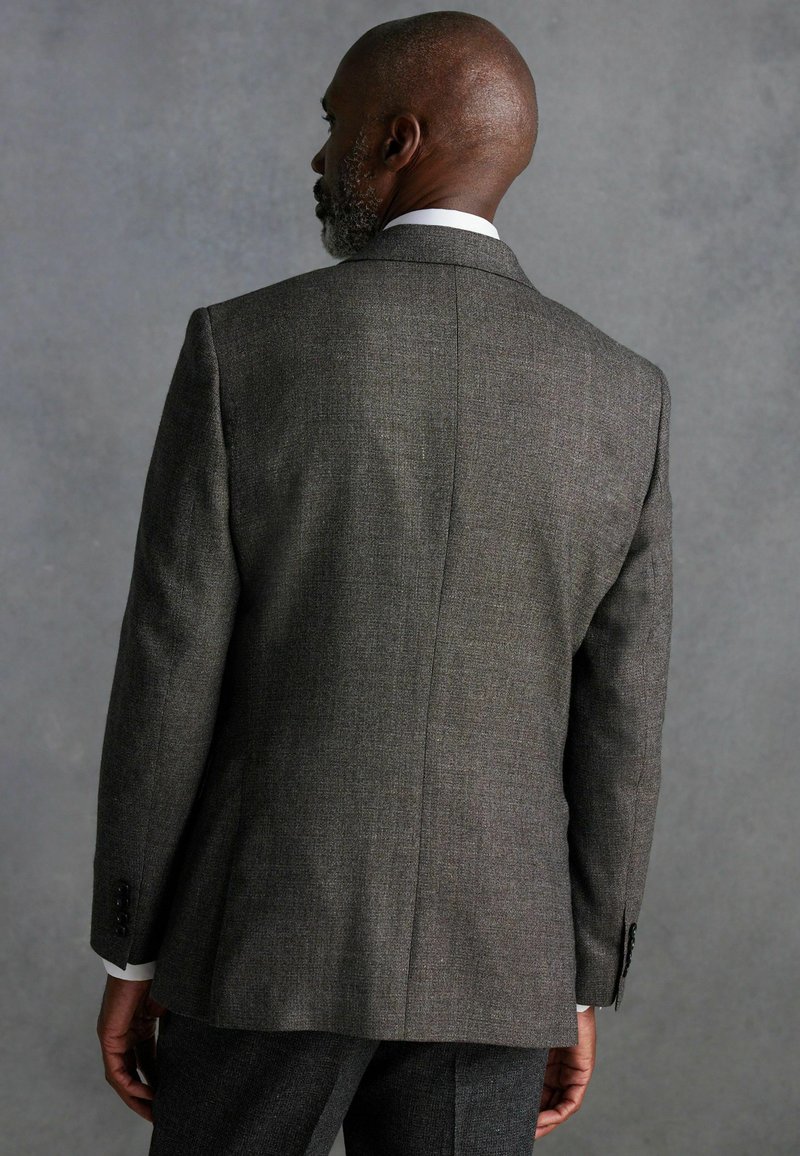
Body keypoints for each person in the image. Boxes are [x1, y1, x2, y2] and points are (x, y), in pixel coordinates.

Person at [91, 11, 673, 1154]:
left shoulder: (240, 348)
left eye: (334, 124)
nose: (319, 155)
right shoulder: (621, 394)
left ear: (397, 139)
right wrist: (575, 978)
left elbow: (170, 669)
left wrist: (132, 948)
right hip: (498, 962)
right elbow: (621, 725)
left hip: (260, 944)